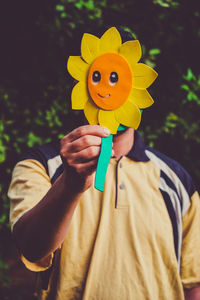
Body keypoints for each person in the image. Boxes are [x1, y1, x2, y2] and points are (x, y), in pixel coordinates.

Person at [8, 28, 200, 300]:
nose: (108, 88)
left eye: (119, 78)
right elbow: (31, 247)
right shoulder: (39, 166)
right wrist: (69, 186)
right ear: (81, 82)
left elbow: (193, 282)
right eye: (97, 77)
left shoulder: (177, 180)